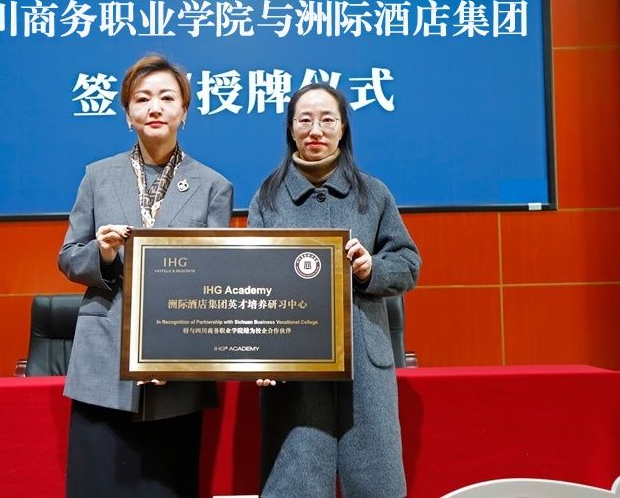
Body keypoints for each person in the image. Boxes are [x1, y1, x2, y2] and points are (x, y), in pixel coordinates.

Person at [58, 54, 233, 498]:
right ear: (128, 113)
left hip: (177, 370)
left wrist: (174, 351)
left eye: (167, 98)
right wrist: (103, 253)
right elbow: (68, 258)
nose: (155, 107)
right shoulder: (98, 176)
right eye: (142, 98)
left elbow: (215, 280)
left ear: (184, 112)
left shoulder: (213, 186)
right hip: (105, 362)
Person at [248, 83, 420, 498]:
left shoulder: (373, 194)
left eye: (327, 119)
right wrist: (261, 353)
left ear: (343, 128)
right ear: (291, 129)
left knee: (376, 482)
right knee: (295, 481)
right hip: (294, 367)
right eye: (304, 120)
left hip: (365, 363)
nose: (315, 130)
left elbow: (408, 263)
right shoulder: (268, 198)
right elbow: (251, 281)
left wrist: (370, 268)